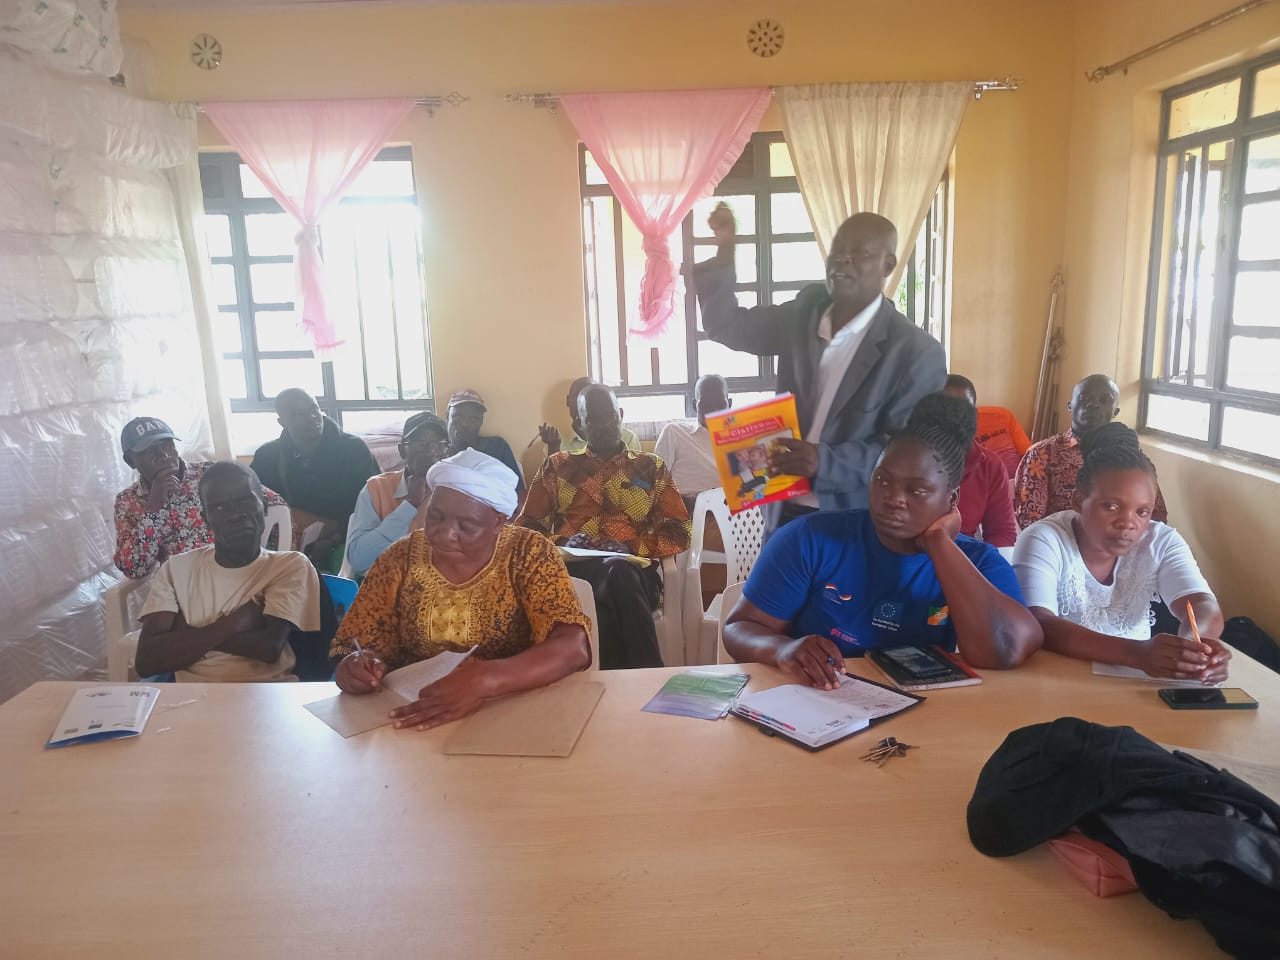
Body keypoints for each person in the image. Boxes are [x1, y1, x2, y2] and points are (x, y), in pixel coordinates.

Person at [722, 393, 1041, 688]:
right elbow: (738, 629)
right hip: (821, 699)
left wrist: (939, 543)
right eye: (882, 481)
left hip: (928, 711)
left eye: (916, 490)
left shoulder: (980, 562)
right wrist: (783, 649)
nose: (893, 499)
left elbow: (1005, 651)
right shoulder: (809, 539)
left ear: (952, 499)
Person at [691, 205, 946, 531]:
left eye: (859, 253)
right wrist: (726, 250)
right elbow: (727, 326)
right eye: (837, 251)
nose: (843, 260)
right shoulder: (805, 312)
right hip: (781, 514)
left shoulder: (915, 352)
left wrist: (823, 461)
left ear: (888, 264)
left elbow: (905, 453)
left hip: (853, 524)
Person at [331, 449, 592, 730]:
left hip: (509, 712)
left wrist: (486, 679)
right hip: (414, 715)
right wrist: (354, 668)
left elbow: (572, 647)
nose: (444, 534)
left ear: (498, 522)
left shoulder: (528, 552)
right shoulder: (399, 559)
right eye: (435, 517)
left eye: (466, 526)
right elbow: (352, 645)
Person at [1012, 423, 1229, 683]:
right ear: (1078, 501)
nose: (1128, 523)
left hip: (1133, 684)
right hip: (1056, 682)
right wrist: (1137, 654)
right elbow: (1039, 622)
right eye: (1111, 507)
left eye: (1142, 512)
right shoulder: (1045, 539)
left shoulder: (1161, 541)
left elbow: (1203, 605)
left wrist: (1193, 647)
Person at [519, 384, 691, 669]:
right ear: (579, 424)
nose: (604, 425)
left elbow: (679, 532)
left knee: (618, 573)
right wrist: (563, 543)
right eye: (594, 419)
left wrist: (629, 547)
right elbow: (526, 530)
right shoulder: (557, 467)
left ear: (620, 415)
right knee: (612, 585)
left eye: (610, 416)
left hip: (635, 576)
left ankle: (610, 682)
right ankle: (648, 678)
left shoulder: (650, 467)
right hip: (572, 575)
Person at [135, 462, 320, 682]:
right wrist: (232, 624)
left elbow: (268, 647)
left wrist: (186, 632)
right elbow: (147, 659)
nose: (235, 515)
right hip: (194, 697)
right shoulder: (175, 569)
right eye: (220, 508)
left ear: (264, 506)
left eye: (245, 501)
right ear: (206, 519)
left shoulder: (289, 565)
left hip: (269, 692)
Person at [113, 416, 286, 580]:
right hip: (182, 586)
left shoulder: (211, 475)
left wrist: (269, 559)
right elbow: (134, 569)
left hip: (237, 571)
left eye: (167, 445)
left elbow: (276, 505)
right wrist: (153, 509)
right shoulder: (128, 501)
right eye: (150, 451)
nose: (163, 455)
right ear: (130, 460)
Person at [1014, 374, 1168, 529]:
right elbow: (1030, 522)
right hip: (1061, 540)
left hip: (1126, 538)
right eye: (1084, 398)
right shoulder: (1042, 454)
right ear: (1070, 405)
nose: (1093, 404)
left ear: (1115, 412)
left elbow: (1156, 516)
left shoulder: (1129, 455)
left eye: (1104, 400)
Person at [249, 389, 379, 571]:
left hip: (346, 537)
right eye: (298, 414)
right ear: (282, 422)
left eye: (314, 409)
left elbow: (371, 506)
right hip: (287, 542)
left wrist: (334, 538)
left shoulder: (353, 450)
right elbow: (255, 502)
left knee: (349, 566)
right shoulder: (268, 457)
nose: (311, 417)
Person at [345, 412, 451, 578]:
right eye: (419, 443)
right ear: (402, 450)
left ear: (447, 452)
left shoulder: (456, 491)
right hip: (388, 585)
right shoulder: (377, 488)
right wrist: (409, 506)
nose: (429, 450)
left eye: (438, 444)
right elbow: (359, 559)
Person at [941, 376, 1017, 547]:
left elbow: (1002, 533)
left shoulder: (990, 466)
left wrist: (985, 559)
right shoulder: (904, 458)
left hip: (963, 554)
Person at [653, 374, 728, 509]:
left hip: (731, 512)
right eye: (706, 404)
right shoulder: (674, 432)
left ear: (730, 405)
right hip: (686, 512)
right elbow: (654, 484)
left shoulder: (741, 441)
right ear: (694, 405)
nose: (714, 410)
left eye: (720, 404)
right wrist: (691, 503)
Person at [444, 388, 525, 499]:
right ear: (447, 416)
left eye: (473, 419)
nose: (465, 424)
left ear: (481, 422)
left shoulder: (497, 448)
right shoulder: (436, 451)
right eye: (458, 417)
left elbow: (519, 494)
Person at [946, 374, 1033, 478]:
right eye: (948, 408)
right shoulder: (940, 447)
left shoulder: (1002, 416)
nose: (959, 415)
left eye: (965, 408)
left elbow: (1030, 457)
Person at [539, 376, 642, 456]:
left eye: (593, 395)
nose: (585, 402)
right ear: (568, 401)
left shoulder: (628, 438)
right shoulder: (555, 442)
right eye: (578, 396)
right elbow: (550, 476)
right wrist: (554, 448)